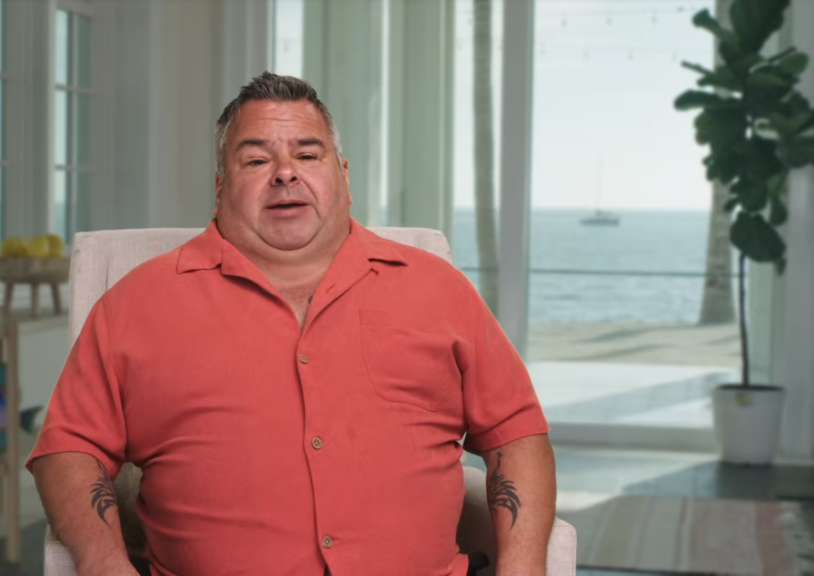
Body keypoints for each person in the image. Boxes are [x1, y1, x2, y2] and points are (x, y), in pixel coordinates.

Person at [28, 72, 556, 576]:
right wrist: (104, 564)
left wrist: (525, 568)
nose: (285, 172)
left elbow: (517, 434)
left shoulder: (438, 289)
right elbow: (67, 449)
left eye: (307, 153)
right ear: (220, 186)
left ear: (343, 176)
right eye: (256, 160)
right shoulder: (135, 303)